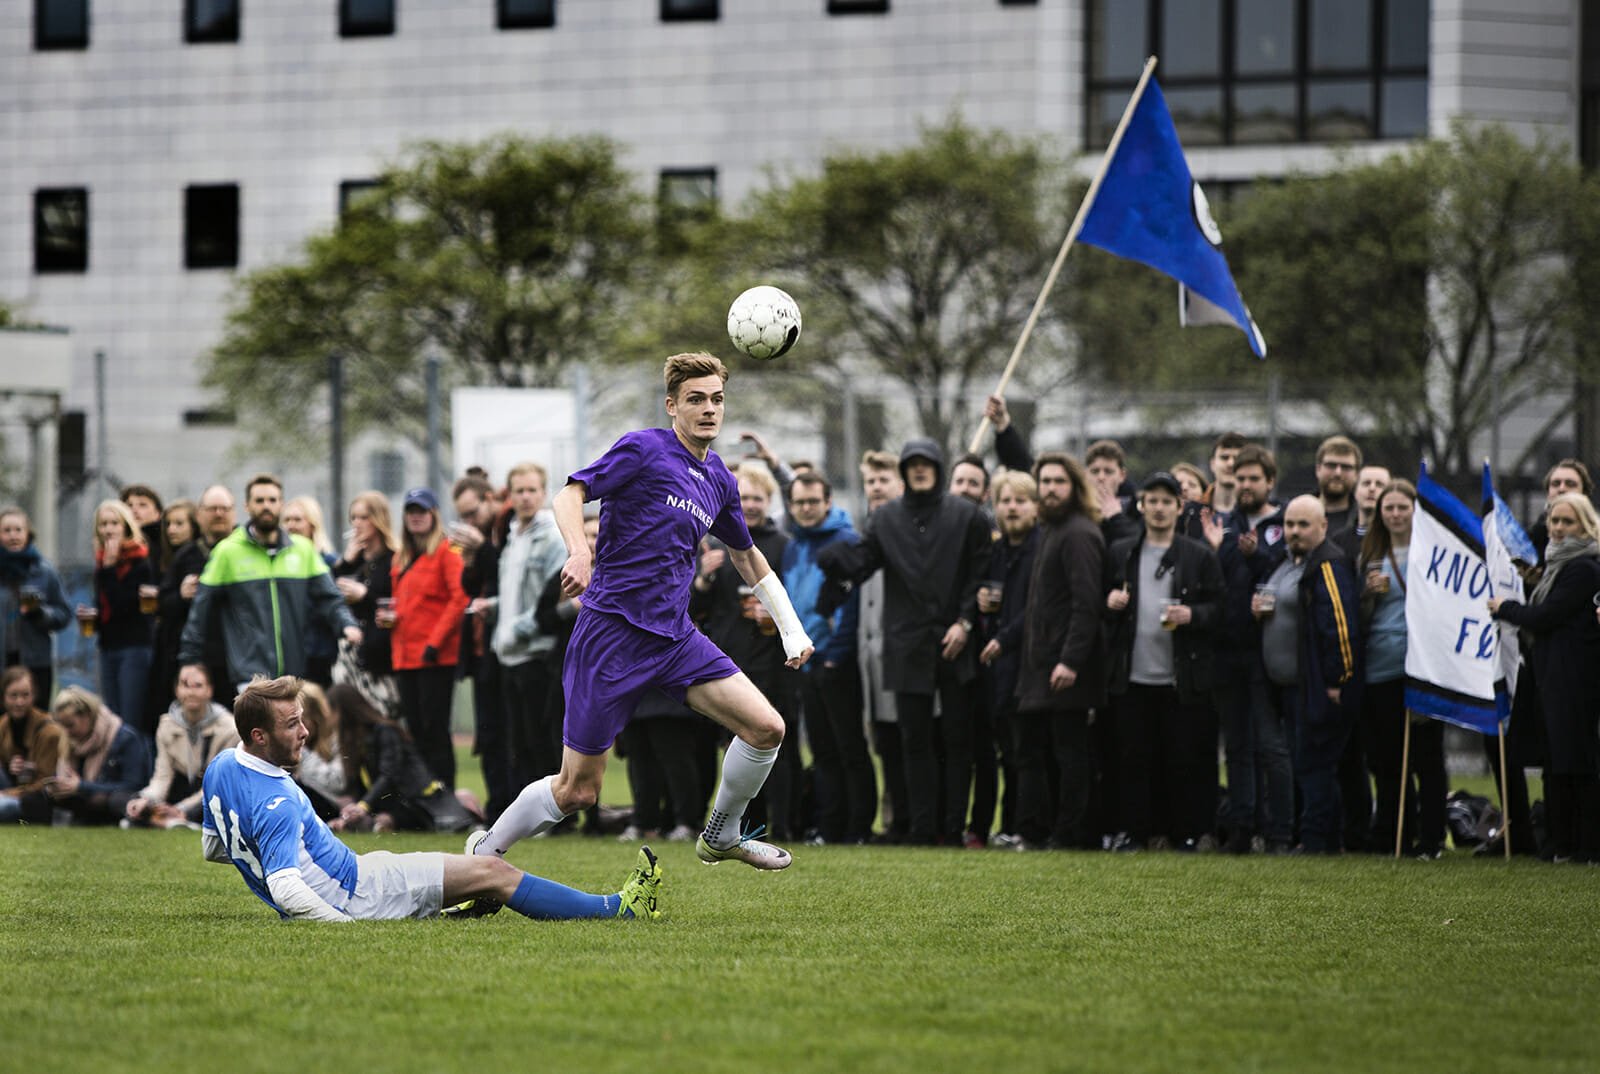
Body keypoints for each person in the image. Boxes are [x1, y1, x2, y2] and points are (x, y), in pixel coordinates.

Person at [472, 352, 813, 871]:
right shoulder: (644, 448)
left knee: (767, 727)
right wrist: (579, 552)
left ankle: (721, 834)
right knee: (577, 791)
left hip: (675, 639)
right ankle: (485, 850)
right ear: (672, 405)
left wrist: (791, 629)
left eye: (717, 399)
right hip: (611, 634)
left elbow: (745, 555)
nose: (708, 410)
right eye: (696, 399)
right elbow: (571, 493)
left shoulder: (719, 477)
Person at [202, 675, 662, 922]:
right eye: (292, 725)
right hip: (361, 895)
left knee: (478, 872)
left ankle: (463, 892)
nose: (305, 732)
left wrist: (265, 863)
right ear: (259, 735)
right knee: (495, 872)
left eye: (303, 719)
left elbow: (214, 847)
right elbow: (286, 889)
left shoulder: (222, 766)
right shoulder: (277, 800)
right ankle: (618, 909)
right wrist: (342, 927)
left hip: (358, 876)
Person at [819, 438, 991, 846]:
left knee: (956, 739)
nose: (918, 470)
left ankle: (952, 828)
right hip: (906, 642)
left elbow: (980, 572)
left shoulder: (968, 516)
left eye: (925, 463)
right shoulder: (886, 520)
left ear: (937, 467)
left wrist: (966, 622)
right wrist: (833, 564)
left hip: (954, 640)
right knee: (913, 740)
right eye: (911, 464)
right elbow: (862, 563)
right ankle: (921, 828)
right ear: (905, 472)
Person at [1103, 472, 1226, 851]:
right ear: (1140, 507)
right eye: (1151, 501)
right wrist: (1108, 603)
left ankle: (1186, 833)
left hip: (1181, 678)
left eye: (1166, 501)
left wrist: (1194, 615)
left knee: (1183, 760)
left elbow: (1221, 609)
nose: (1158, 509)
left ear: (1179, 506)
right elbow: (1100, 603)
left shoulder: (1199, 555)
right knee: (1134, 760)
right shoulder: (1122, 551)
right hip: (1132, 676)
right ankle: (1136, 833)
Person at [690, 461, 799, 840]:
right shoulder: (714, 546)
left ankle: (784, 826)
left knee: (777, 744)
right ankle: (741, 828)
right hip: (727, 661)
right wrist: (702, 577)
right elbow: (691, 607)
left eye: (758, 497)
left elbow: (796, 599)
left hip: (774, 663)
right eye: (744, 497)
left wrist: (772, 616)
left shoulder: (784, 546)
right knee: (732, 748)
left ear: (770, 501)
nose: (750, 505)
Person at [1489, 492, 1600, 862]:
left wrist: (1506, 608)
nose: (1557, 529)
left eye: (1567, 522)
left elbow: (1547, 616)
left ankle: (1584, 845)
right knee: (1555, 761)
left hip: (1574, 677)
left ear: (1585, 525)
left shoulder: (1584, 567)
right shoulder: (1556, 565)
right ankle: (1559, 842)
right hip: (1551, 675)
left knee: (1576, 762)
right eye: (1554, 521)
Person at [179, 474, 360, 693]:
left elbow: (330, 598)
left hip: (296, 673)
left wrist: (347, 624)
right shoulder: (227, 551)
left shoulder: (302, 549)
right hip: (250, 675)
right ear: (247, 505)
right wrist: (189, 659)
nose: (267, 506)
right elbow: (200, 611)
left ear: (281, 504)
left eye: (273, 500)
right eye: (260, 500)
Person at [1252, 495, 1361, 854]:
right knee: (1303, 763)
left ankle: (1319, 841)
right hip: (1284, 687)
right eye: (1289, 524)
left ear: (1323, 526)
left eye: (1303, 525)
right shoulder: (1284, 562)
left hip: (1315, 687)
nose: (1294, 532)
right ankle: (1311, 836)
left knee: (1316, 766)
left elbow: (1340, 630)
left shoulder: (1328, 565)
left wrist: (1336, 681)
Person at [1013, 452, 1105, 849]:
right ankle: (1044, 830)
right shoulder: (1052, 531)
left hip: (1067, 669)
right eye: (1044, 481)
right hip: (1041, 668)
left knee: (1071, 756)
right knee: (1039, 753)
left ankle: (1071, 834)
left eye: (1058, 482)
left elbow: (1087, 605)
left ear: (1075, 488)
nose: (1049, 489)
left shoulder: (1080, 534)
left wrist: (1070, 660)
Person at [780, 471, 870, 845]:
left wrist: (835, 655)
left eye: (813, 502)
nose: (806, 509)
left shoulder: (846, 542)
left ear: (828, 502)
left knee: (850, 748)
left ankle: (859, 828)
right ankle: (830, 828)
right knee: (822, 750)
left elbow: (852, 606)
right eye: (799, 503)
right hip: (805, 661)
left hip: (835, 660)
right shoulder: (793, 546)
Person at [1355, 480, 1442, 858]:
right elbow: (1357, 615)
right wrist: (1366, 594)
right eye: (1387, 508)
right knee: (1388, 758)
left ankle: (1432, 837)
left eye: (1401, 507)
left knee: (1426, 755)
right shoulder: (1370, 553)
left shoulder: (1433, 551)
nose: (1394, 514)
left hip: (1422, 664)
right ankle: (1395, 834)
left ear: (1414, 510)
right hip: (1381, 664)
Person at [490, 463, 566, 798]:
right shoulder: (512, 537)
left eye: (532, 490)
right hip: (509, 653)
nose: (525, 497)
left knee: (540, 739)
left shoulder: (552, 537)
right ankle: (527, 813)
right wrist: (493, 611)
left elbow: (552, 597)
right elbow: (514, 594)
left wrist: (517, 630)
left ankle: (551, 814)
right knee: (518, 740)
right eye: (519, 490)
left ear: (543, 492)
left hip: (536, 650)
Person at [976, 469, 1040, 848]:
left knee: (1029, 752)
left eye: (1020, 500)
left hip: (1029, 663)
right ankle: (1012, 824)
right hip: (999, 667)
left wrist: (1004, 637)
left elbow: (1036, 608)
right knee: (1008, 753)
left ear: (1035, 507)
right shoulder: (997, 551)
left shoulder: (1041, 547)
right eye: (1005, 501)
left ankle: (1031, 827)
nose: (1012, 508)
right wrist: (983, 607)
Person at [388, 487, 468, 789]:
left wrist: (435, 641)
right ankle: (425, 793)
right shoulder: (402, 557)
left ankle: (444, 790)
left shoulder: (447, 553)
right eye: (411, 511)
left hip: (434, 656)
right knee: (417, 729)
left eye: (422, 511)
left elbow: (459, 598)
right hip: (405, 655)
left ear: (434, 514)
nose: (416, 517)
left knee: (435, 728)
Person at [452, 472, 512, 821]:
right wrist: (472, 557)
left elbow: (507, 575)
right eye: (463, 516)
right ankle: (497, 805)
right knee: (488, 734)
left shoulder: (508, 527)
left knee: (509, 733)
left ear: (490, 499)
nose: (469, 522)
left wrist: (482, 550)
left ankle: (513, 804)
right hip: (481, 648)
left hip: (507, 644)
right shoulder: (485, 537)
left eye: (472, 513)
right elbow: (471, 585)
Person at [856, 449, 906, 841]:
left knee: (907, 745)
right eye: (870, 481)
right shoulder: (866, 533)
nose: (875, 488)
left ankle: (907, 821)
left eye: (882, 480)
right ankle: (890, 820)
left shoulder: (910, 532)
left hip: (902, 658)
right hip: (869, 661)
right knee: (884, 748)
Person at [123, 663, 239, 829]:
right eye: (185, 685)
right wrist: (146, 800)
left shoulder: (230, 728)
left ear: (209, 690)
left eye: (198, 686)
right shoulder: (166, 725)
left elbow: (218, 783)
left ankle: (177, 818)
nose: (191, 692)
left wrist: (181, 808)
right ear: (176, 690)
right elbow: (162, 776)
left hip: (213, 793)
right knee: (131, 801)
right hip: (181, 790)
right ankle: (160, 817)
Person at [90, 499, 157, 734]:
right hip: (108, 645)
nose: (108, 529)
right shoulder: (101, 562)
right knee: (112, 716)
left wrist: (108, 569)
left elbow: (125, 605)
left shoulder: (140, 561)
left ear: (126, 526)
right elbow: (105, 605)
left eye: (114, 523)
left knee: (130, 719)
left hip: (134, 646)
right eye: (103, 524)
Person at [40, 685, 152, 825]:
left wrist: (82, 786)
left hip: (114, 802)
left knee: (119, 800)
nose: (66, 732)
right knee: (41, 795)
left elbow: (133, 785)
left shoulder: (124, 738)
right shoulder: (68, 741)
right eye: (62, 726)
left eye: (70, 725)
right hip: (86, 802)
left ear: (87, 715)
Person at [331, 491, 399, 714]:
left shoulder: (394, 559)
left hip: (382, 657)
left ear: (378, 519)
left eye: (364, 517)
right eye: (354, 518)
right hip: (353, 655)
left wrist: (366, 595)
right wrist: (346, 563)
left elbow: (393, 603)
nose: (357, 524)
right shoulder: (356, 562)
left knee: (383, 718)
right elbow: (333, 594)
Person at [0, 506, 72, 705]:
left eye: (18, 530)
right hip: (2, 663)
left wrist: (41, 614)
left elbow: (64, 613)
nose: (13, 535)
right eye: (6, 530)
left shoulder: (44, 571)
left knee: (36, 723)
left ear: (28, 534)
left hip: (35, 663)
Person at [151, 499, 204, 715]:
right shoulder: (165, 558)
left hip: (183, 644)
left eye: (179, 523)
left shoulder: (193, 557)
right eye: (169, 524)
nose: (172, 529)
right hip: (169, 642)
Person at [283, 496, 340, 686]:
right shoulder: (278, 565)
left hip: (318, 652)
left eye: (298, 520)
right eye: (287, 520)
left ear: (312, 524)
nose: (291, 525)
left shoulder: (328, 562)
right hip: (287, 654)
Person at [0, 666, 68, 823]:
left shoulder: (50, 732)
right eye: (13, 696)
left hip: (33, 797)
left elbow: (45, 783)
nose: (19, 702)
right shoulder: (3, 725)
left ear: (34, 696)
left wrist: (7, 793)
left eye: (25, 695)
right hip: (12, 788)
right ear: (4, 697)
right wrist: (8, 767)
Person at [120, 483, 165, 555]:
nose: (134, 510)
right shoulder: (116, 543)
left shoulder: (167, 543)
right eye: (129, 505)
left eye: (142, 505)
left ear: (158, 513)